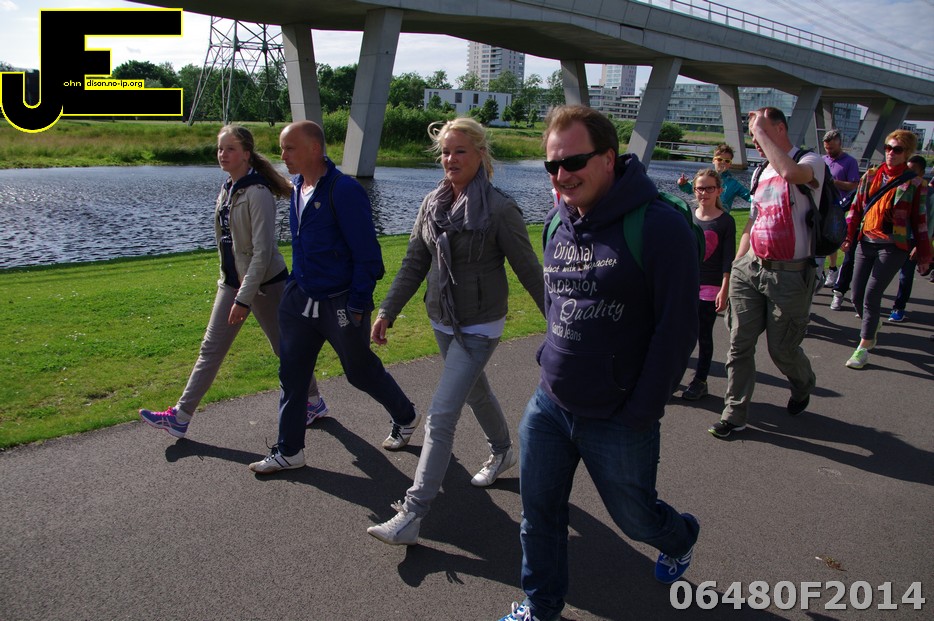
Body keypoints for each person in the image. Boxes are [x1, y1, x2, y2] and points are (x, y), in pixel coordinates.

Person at [498, 105, 700, 621]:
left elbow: (677, 330)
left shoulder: (659, 226)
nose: (561, 175)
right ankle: (541, 606)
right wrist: (549, 357)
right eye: (552, 165)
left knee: (637, 520)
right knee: (538, 514)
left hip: (618, 415)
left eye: (574, 161)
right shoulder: (556, 223)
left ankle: (680, 536)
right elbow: (558, 303)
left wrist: (641, 410)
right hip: (550, 405)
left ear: (609, 158)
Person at [366, 118, 545, 545]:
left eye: (460, 151)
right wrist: (388, 310)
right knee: (476, 391)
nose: (450, 159)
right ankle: (502, 450)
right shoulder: (432, 204)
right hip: (442, 319)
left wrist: (558, 325)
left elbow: (529, 270)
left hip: (480, 324)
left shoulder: (499, 209)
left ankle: (413, 513)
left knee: (442, 414)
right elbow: (415, 262)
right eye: (446, 152)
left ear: (481, 154)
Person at [248, 120, 419, 473]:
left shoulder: (344, 191)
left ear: (314, 149)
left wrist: (357, 303)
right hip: (300, 298)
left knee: (359, 371)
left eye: (289, 148)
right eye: (281, 148)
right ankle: (290, 450)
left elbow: (369, 257)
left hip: (340, 301)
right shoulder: (298, 186)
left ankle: (406, 415)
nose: (283, 156)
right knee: (292, 373)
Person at [139, 124, 328, 438]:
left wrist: (244, 297)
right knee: (211, 349)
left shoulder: (258, 193)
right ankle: (180, 416)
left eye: (230, 149)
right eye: (220, 149)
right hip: (232, 282)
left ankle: (313, 401)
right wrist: (232, 284)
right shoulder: (228, 187)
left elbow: (262, 252)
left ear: (246, 154)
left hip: (266, 285)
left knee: (285, 348)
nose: (222, 155)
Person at [708, 107, 823, 439]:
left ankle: (803, 383)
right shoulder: (760, 172)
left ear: (780, 129)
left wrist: (760, 130)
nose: (755, 140)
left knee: (781, 349)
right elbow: (753, 222)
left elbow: (791, 174)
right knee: (738, 344)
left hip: (790, 275)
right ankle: (734, 413)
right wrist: (735, 267)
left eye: (760, 131)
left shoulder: (810, 162)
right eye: (753, 133)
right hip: (750, 268)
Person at [842, 131, 930, 369]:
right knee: (856, 294)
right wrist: (848, 237)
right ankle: (872, 324)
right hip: (866, 240)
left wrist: (924, 254)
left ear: (907, 153)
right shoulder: (871, 176)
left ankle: (863, 347)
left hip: (893, 246)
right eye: (888, 148)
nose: (891, 153)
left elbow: (920, 222)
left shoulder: (915, 183)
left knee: (872, 294)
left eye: (897, 149)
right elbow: (856, 209)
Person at [681, 169, 736, 401]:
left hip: (710, 287)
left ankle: (700, 381)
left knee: (703, 335)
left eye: (709, 188)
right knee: (680, 335)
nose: (704, 193)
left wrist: (725, 288)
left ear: (719, 190)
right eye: (699, 188)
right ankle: (673, 377)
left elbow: (728, 258)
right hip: (687, 284)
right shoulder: (688, 216)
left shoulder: (725, 221)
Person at [887, 155, 930, 322]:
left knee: (905, 275)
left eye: (913, 171)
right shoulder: (899, 186)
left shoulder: (927, 192)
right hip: (893, 237)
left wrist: (920, 246)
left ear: (922, 173)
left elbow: (928, 223)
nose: (909, 174)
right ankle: (870, 305)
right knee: (880, 273)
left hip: (911, 240)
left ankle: (899, 307)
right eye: (907, 170)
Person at [821, 129, 862, 302]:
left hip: (841, 207)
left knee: (836, 239)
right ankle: (826, 270)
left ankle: (833, 270)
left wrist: (833, 182)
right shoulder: (823, 160)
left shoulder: (849, 162)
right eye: (826, 148)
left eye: (831, 148)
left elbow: (854, 185)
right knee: (823, 239)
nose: (829, 151)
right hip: (824, 205)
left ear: (839, 143)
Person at [677, 143, 751, 212]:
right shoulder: (705, 177)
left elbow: (750, 197)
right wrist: (683, 184)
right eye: (719, 159)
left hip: (721, 218)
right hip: (702, 216)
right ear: (713, 160)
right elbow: (690, 188)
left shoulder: (734, 184)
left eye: (727, 161)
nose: (723, 162)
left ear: (730, 164)